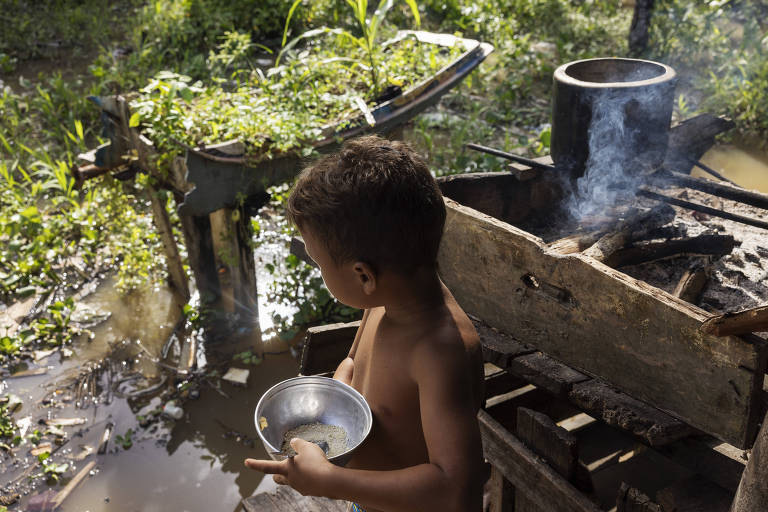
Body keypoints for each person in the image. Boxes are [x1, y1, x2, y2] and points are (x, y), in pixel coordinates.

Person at [245, 135, 486, 512]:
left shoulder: (439, 352)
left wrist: (329, 480)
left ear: (363, 276)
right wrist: (330, 406)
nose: (320, 272)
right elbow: (353, 363)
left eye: (319, 264)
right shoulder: (384, 302)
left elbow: (456, 489)